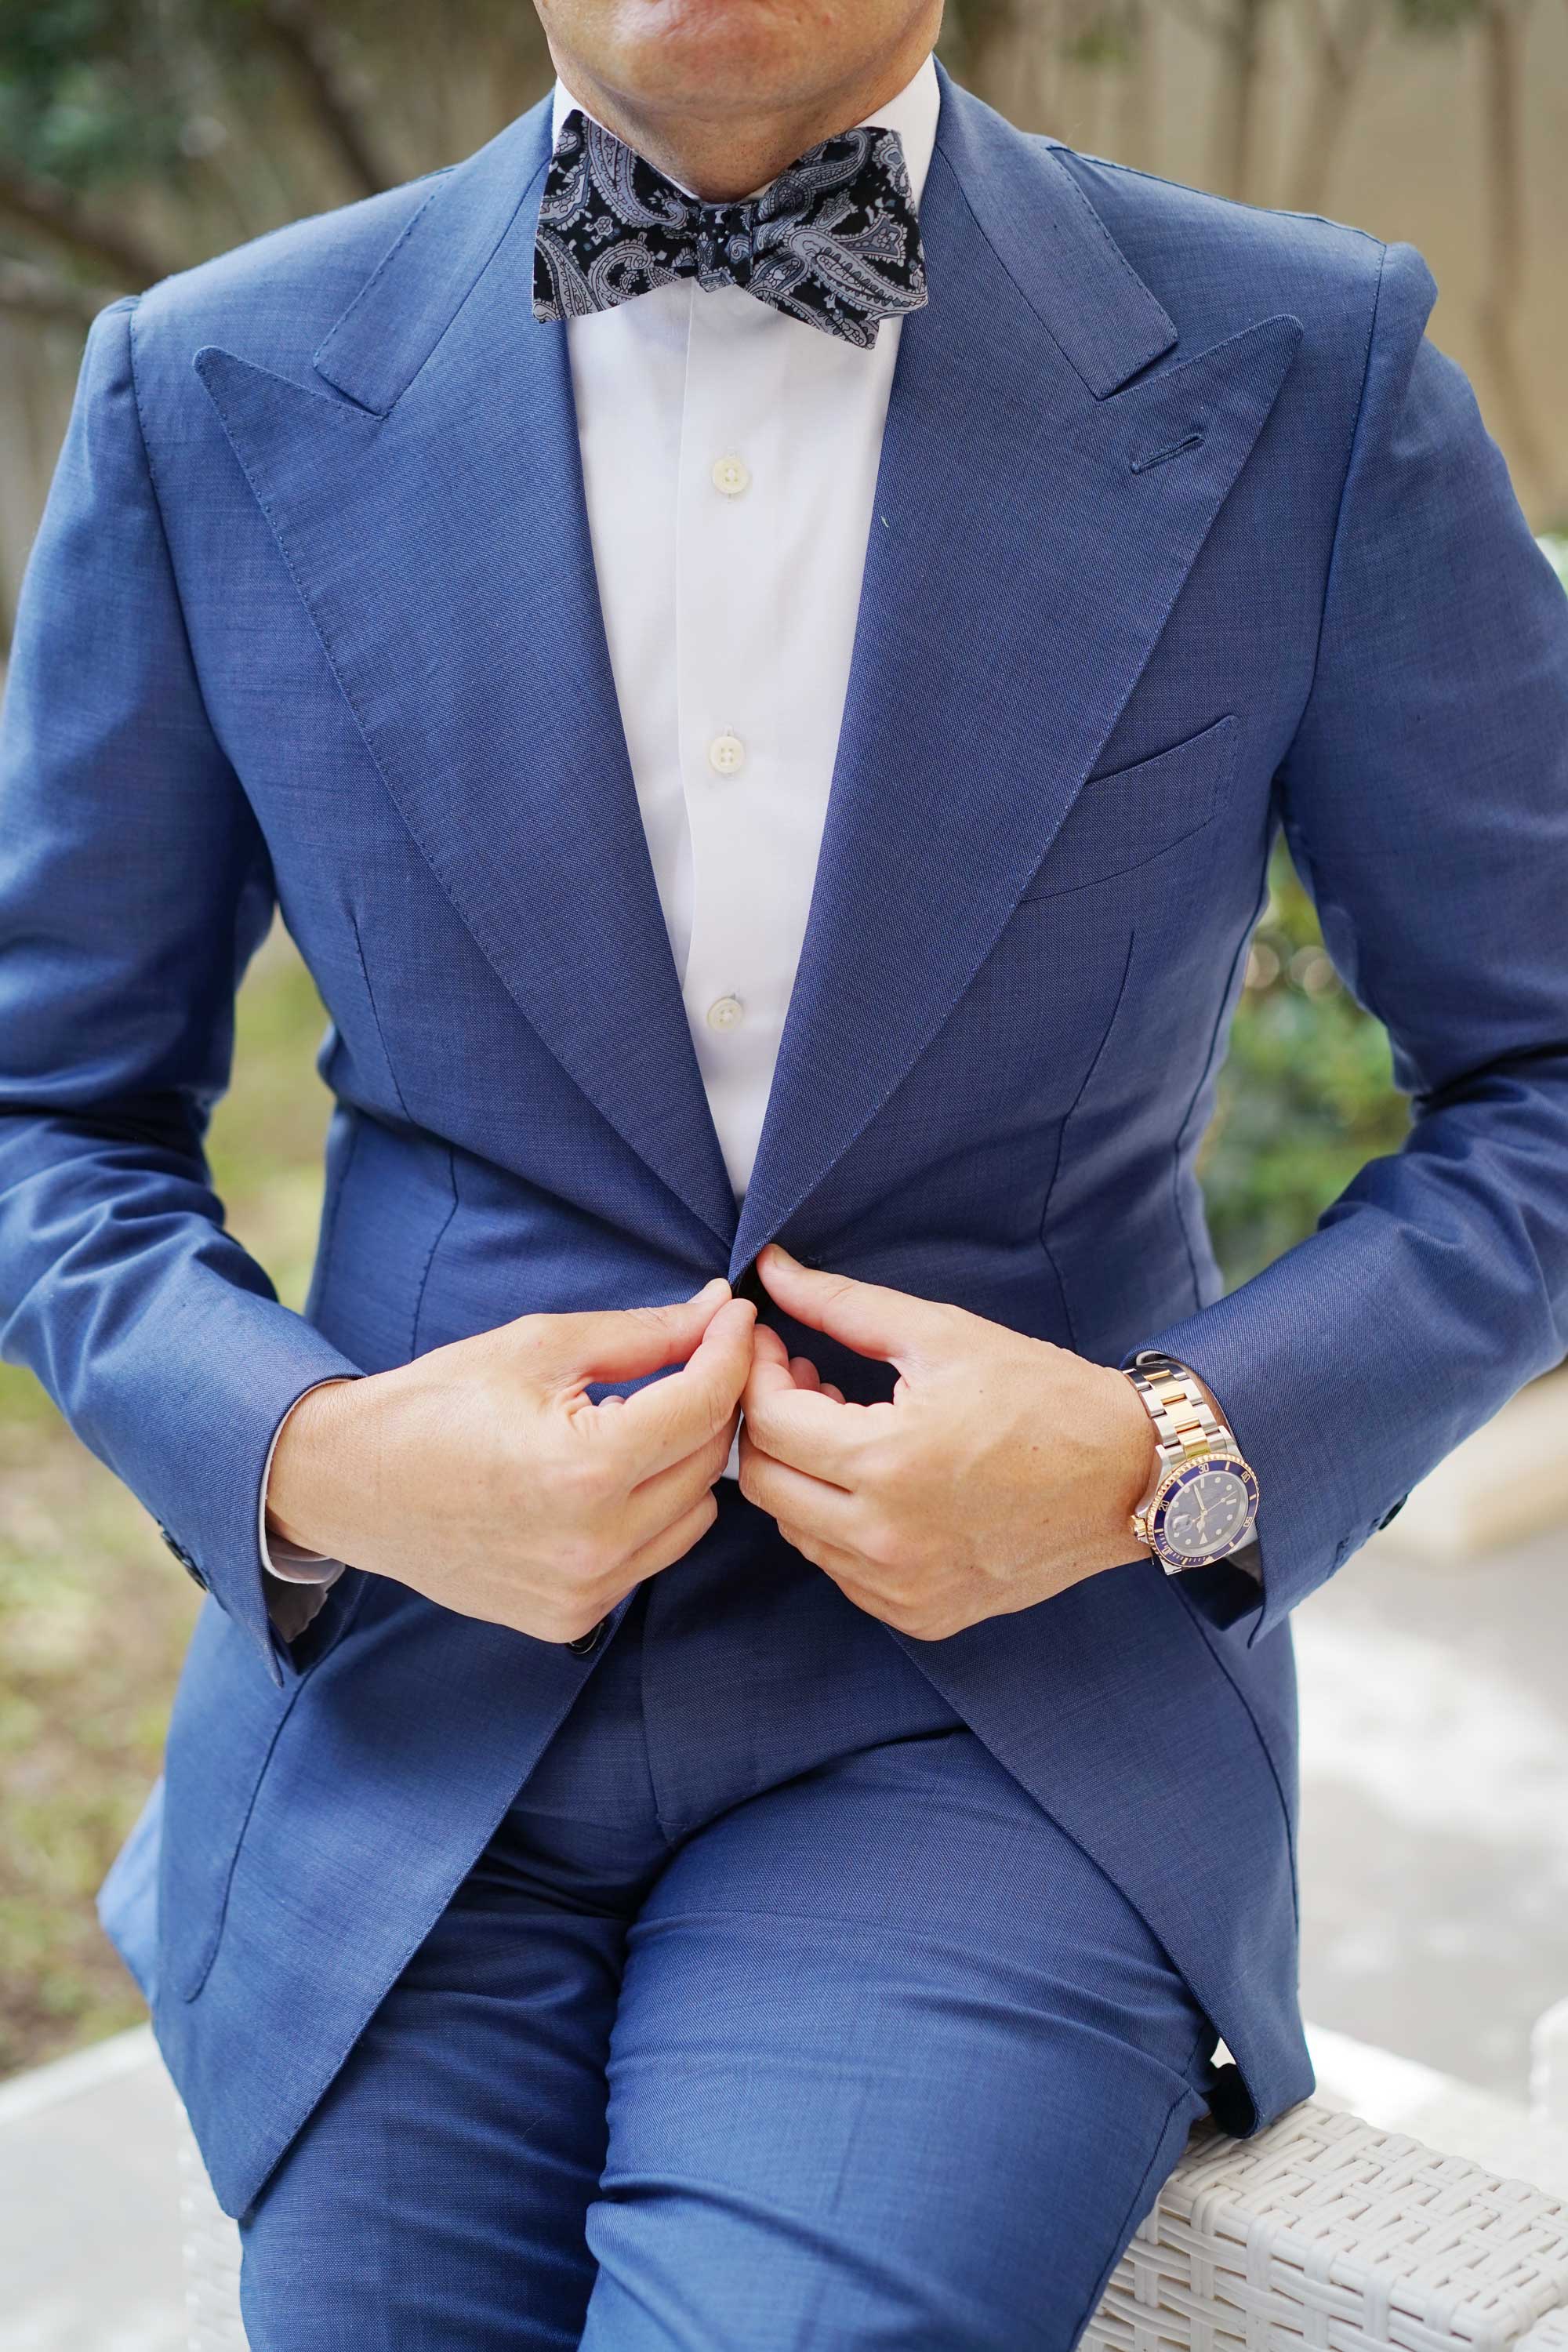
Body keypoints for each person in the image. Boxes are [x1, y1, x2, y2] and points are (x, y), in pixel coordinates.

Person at [2, 0, 1565, 2341]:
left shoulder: (1303, 365)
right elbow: (50, 1109)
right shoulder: (202, 385)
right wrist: (314, 1460)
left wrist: (1169, 1457)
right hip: (412, 1724)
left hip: (996, 1721)